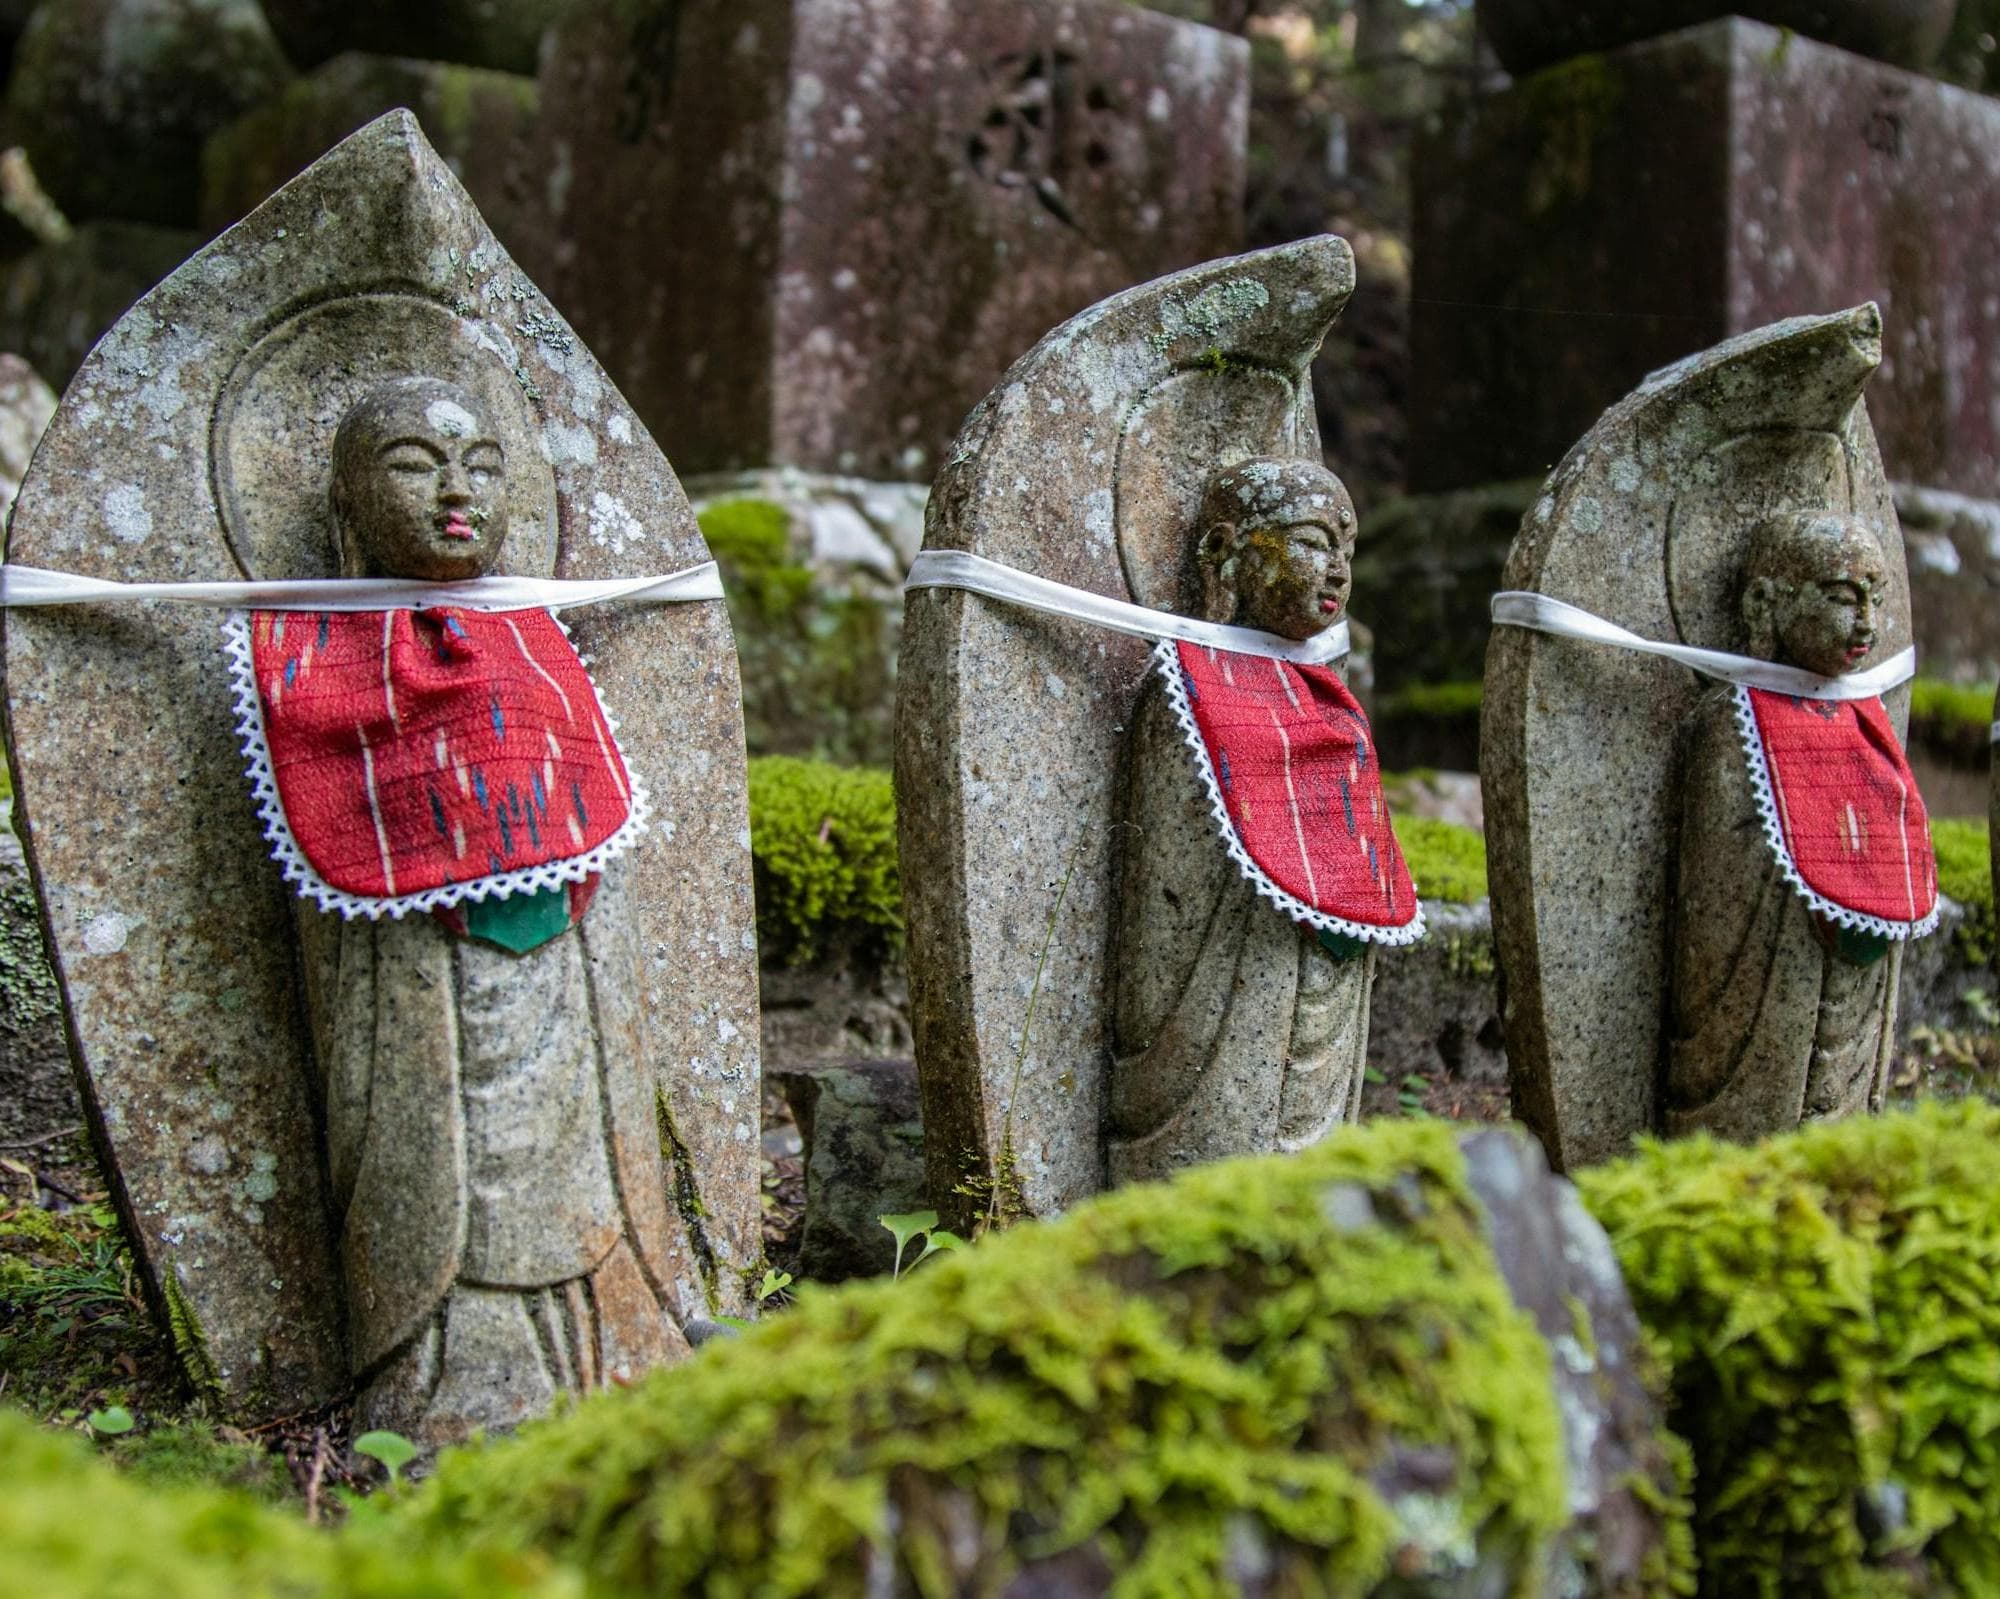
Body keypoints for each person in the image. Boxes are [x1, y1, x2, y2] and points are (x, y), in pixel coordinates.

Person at [273, 376, 686, 1442]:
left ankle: (630, 1329)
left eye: (484, 465)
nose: (458, 493)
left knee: (593, 1145)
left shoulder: (537, 637)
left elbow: (599, 820)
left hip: (567, 995)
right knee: (439, 1165)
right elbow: (333, 888)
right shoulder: (313, 663)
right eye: (416, 463)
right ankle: (441, 1374)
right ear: (347, 504)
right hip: (424, 1023)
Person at [1107, 458, 1417, 1183]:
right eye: (1310, 540)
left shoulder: (1327, 693)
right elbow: (1168, 895)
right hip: (1226, 989)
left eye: (1347, 546)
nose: (1336, 567)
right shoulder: (1185, 687)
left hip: (1317, 984)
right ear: (1224, 553)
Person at [1665, 510, 1921, 1137]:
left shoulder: (1864, 714)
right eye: (1842, 598)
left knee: (1845, 1097)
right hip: (1771, 960)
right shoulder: (1733, 718)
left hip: (1848, 953)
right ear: (1764, 603)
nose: (1866, 622)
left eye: (1876, 600)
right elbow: (1718, 879)